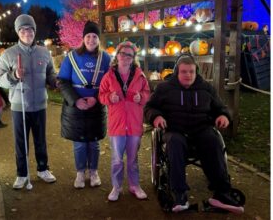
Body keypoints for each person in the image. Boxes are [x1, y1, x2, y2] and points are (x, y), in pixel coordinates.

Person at [144, 54, 244, 214]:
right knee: (175, 143)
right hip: (175, 129)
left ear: (196, 72)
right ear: (177, 72)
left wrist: (223, 116)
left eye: (191, 71)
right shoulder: (164, 88)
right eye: (184, 72)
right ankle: (179, 193)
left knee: (213, 140)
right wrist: (156, 117)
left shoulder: (206, 88)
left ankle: (222, 192)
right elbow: (149, 108)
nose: (188, 75)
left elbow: (220, 107)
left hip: (201, 129)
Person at [0, 14, 57, 189]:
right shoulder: (9, 54)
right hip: (19, 106)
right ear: (18, 32)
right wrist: (13, 75)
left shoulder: (44, 53)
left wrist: (54, 81)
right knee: (21, 142)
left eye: (29, 29)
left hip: (40, 105)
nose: (26, 32)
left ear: (34, 31)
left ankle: (43, 169)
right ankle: (22, 174)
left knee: (40, 140)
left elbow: (50, 73)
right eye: (22, 30)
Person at [57, 21, 111, 189]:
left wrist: (96, 98)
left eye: (94, 36)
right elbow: (62, 81)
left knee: (94, 142)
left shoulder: (106, 58)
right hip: (76, 109)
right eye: (88, 36)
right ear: (83, 38)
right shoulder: (72, 57)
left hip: (96, 106)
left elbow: (109, 83)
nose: (91, 39)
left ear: (99, 39)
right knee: (80, 143)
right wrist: (76, 100)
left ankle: (93, 172)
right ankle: (80, 173)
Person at [99, 41, 150, 201]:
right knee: (116, 159)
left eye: (129, 54)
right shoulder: (108, 76)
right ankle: (117, 186)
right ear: (117, 55)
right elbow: (101, 95)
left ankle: (134, 186)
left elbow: (147, 93)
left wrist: (141, 97)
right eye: (123, 53)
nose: (125, 57)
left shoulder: (140, 76)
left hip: (134, 124)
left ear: (133, 58)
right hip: (117, 125)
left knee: (133, 159)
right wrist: (109, 97)